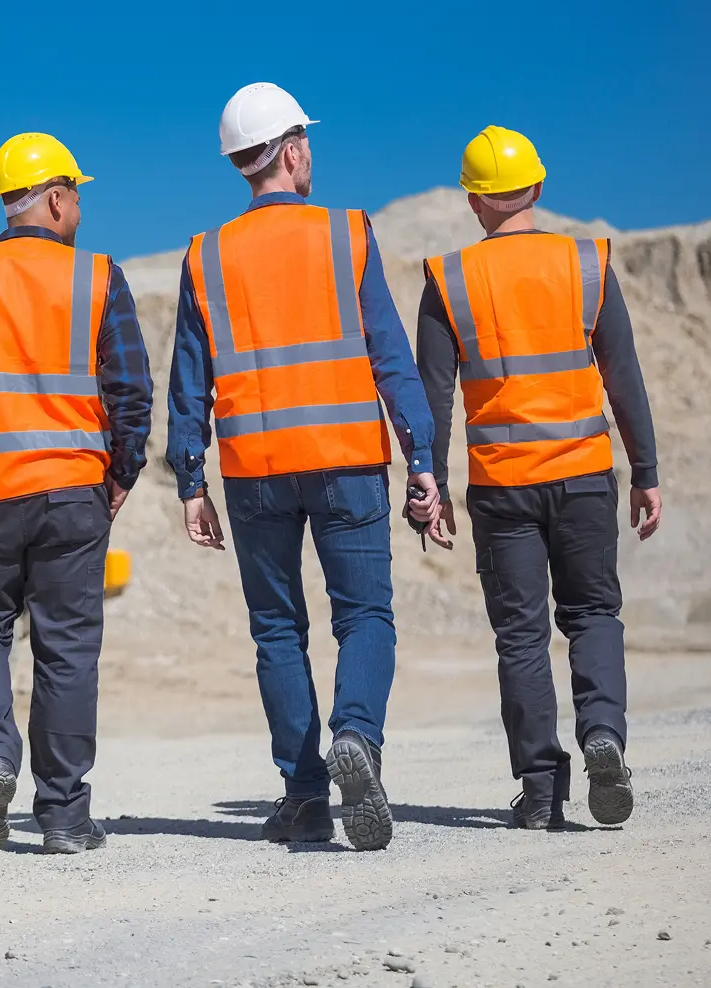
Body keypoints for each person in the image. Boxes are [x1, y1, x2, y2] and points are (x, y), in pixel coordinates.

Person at [166, 83, 439, 851]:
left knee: (278, 632)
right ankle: (358, 737)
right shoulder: (347, 234)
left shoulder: (205, 255)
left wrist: (191, 480)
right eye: (306, 142)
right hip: (348, 460)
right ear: (291, 150)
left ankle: (306, 795)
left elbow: (189, 380)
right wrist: (422, 460)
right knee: (365, 617)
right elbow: (391, 358)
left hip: (254, 471)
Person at [0, 132, 153, 854]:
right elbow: (131, 390)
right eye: (76, 194)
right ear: (55, 198)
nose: (79, 208)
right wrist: (121, 475)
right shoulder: (97, 278)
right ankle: (66, 818)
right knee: (67, 647)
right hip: (73, 490)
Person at [417, 125, 661, 829]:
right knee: (592, 616)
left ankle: (541, 788)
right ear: (540, 187)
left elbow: (433, 395)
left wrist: (426, 484)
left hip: (501, 487)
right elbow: (624, 377)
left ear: (473, 202)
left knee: (521, 636)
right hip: (585, 474)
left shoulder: (448, 277)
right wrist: (646, 470)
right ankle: (604, 738)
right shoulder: (587, 263)